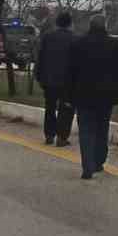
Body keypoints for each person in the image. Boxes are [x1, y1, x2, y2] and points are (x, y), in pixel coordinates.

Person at [67, 15, 118, 179]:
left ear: (90, 26)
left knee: (86, 131)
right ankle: (99, 161)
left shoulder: (78, 44)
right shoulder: (115, 45)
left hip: (83, 95)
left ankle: (87, 165)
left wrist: (68, 95)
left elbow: (70, 72)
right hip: (106, 96)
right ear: (105, 26)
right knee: (102, 128)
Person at [33, 11, 76, 147]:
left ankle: (49, 135)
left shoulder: (47, 37)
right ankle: (62, 137)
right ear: (70, 24)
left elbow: (40, 57)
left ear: (57, 23)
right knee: (66, 109)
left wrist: (38, 76)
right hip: (68, 81)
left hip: (48, 80)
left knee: (50, 107)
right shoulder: (75, 39)